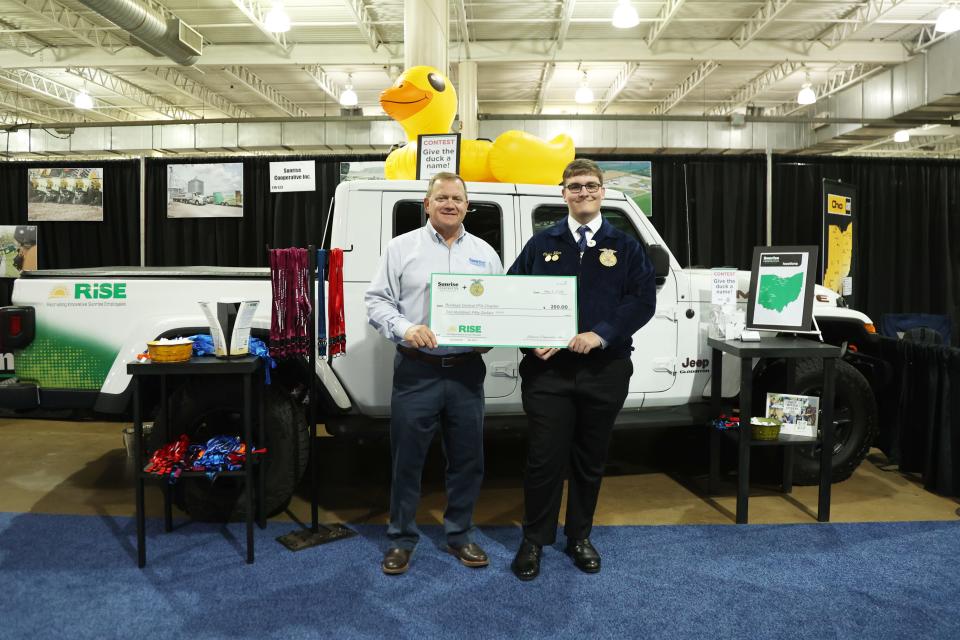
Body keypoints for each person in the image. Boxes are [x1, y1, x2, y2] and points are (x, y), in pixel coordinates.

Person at [507, 158, 657, 581]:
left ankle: (579, 536)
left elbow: (642, 301)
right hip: (548, 374)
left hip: (604, 370)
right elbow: (511, 294)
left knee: (590, 458)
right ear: (563, 194)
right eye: (575, 186)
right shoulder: (541, 243)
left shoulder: (624, 246)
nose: (584, 192)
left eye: (591, 185)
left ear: (602, 192)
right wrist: (527, 339)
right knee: (543, 459)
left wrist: (600, 334)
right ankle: (534, 539)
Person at [365, 172, 503, 575]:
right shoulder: (401, 248)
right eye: (441, 197)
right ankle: (401, 538)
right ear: (427, 204)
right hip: (417, 371)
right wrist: (406, 329)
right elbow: (376, 302)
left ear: (466, 205)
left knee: (467, 460)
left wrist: (491, 337)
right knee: (408, 459)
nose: (449, 204)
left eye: (457, 198)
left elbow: (497, 308)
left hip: (465, 372)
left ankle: (460, 535)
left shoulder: (485, 254)